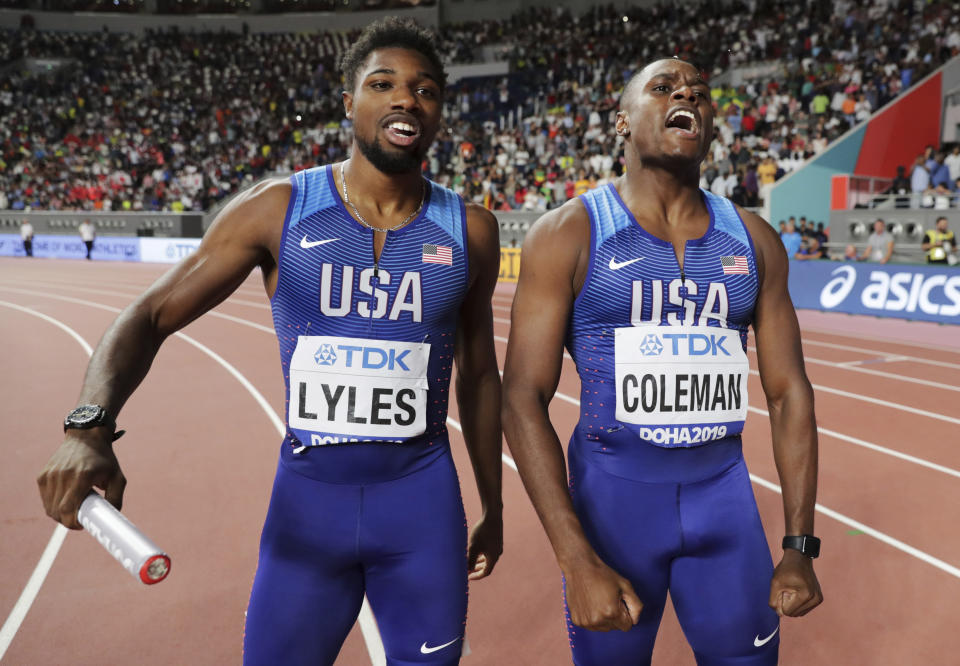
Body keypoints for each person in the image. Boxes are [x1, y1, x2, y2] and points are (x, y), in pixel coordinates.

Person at [37, 18, 503, 666]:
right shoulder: (278, 208)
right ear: (348, 102)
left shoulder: (471, 230)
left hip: (421, 513)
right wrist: (87, 427)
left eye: (425, 89)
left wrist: (495, 503)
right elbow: (149, 316)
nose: (406, 99)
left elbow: (480, 377)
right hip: (308, 517)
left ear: (440, 111)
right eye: (383, 83)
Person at [502, 58, 822, 666]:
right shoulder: (567, 233)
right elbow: (521, 395)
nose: (688, 96)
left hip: (724, 503)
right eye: (665, 88)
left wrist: (800, 545)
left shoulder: (753, 240)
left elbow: (788, 393)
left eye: (699, 93)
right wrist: (574, 558)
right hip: (612, 509)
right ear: (622, 121)